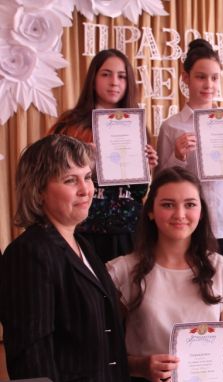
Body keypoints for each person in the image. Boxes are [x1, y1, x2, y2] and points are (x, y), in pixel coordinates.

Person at [0, 134, 131, 382]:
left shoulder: (83, 246)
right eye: (70, 180)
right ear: (39, 190)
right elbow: (32, 360)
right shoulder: (30, 252)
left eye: (87, 177)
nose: (86, 189)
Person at [107, 166, 223, 382]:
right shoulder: (122, 272)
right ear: (150, 211)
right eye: (168, 204)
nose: (180, 214)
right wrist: (140, 366)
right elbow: (105, 354)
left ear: (201, 211)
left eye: (190, 204)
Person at [156, 39, 223, 261]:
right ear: (186, 78)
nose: (208, 85)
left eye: (214, 78)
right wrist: (177, 157)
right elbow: (160, 185)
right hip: (189, 226)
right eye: (201, 77)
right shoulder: (171, 127)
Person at [51, 48, 158, 263]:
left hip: (127, 231)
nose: (114, 82)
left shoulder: (136, 126)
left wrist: (148, 169)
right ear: (93, 79)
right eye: (106, 74)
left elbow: (138, 193)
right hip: (82, 229)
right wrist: (83, 159)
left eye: (122, 76)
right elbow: (52, 174)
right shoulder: (70, 124)